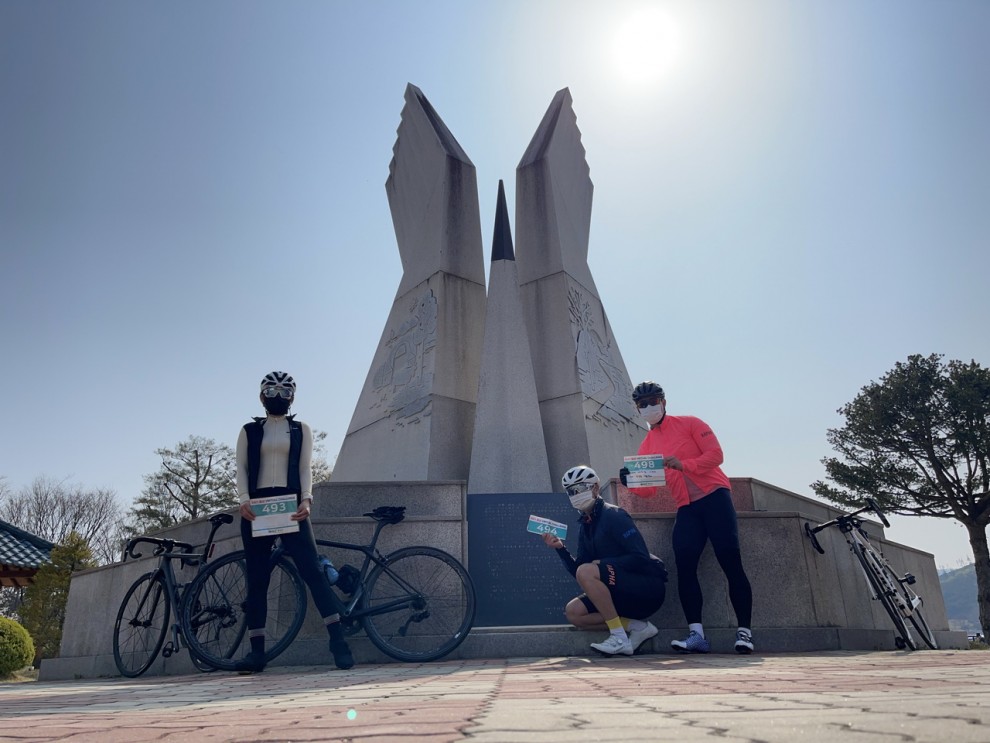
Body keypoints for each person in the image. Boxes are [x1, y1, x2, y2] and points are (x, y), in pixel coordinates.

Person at [233, 371, 354, 673]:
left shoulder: (301, 429)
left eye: (285, 392)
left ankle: (338, 641)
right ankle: (257, 652)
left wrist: (307, 499)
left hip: (291, 505)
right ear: (262, 396)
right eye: (272, 391)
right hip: (256, 507)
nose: (278, 397)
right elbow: (241, 467)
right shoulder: (249, 430)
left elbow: (304, 467)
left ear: (292, 398)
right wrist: (244, 499)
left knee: (313, 571)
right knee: (257, 578)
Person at [621, 381, 754, 654]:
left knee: (730, 560)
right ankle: (697, 636)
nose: (649, 407)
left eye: (653, 401)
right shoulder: (647, 446)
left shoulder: (691, 423)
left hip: (715, 496)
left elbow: (716, 455)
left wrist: (684, 465)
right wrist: (630, 482)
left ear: (664, 402)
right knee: (684, 567)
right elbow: (649, 491)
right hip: (687, 507)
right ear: (637, 409)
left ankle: (745, 632)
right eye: (643, 404)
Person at [542, 465, 667, 656]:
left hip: (646, 588)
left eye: (580, 489)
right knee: (574, 612)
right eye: (570, 492)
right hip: (619, 591)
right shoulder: (586, 525)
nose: (575, 495)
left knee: (588, 570)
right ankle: (638, 628)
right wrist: (560, 549)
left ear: (595, 487)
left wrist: (603, 564)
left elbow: (640, 557)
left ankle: (618, 637)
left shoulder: (614, 515)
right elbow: (580, 572)